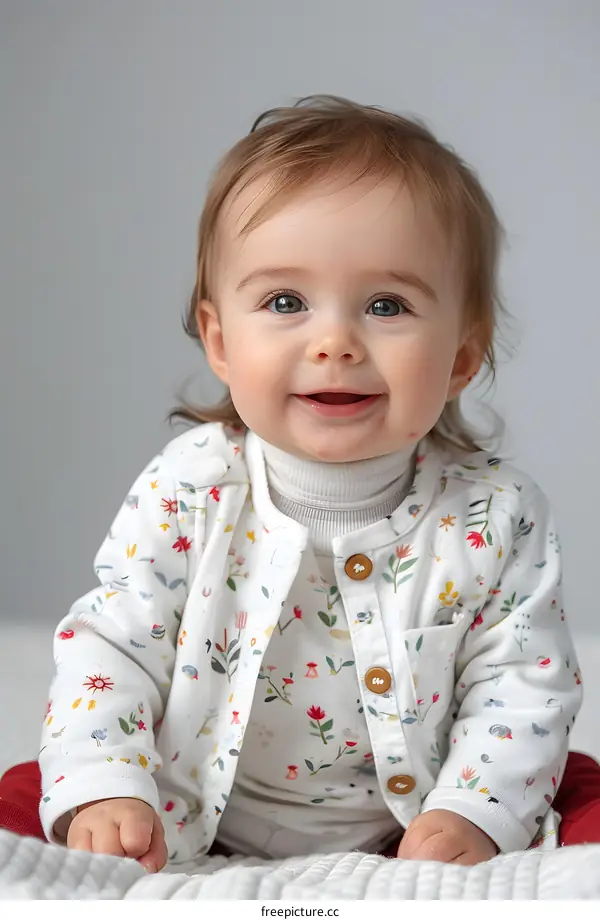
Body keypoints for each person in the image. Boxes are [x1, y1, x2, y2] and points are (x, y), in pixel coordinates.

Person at [37, 95, 583, 872]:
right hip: (191, 803)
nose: (335, 342)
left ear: (463, 357)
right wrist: (106, 785)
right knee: (44, 788)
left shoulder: (495, 514)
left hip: (413, 816)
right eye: (285, 302)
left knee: (573, 787)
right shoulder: (191, 486)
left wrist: (474, 810)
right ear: (221, 341)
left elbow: (523, 681)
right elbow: (116, 647)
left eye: (386, 305)